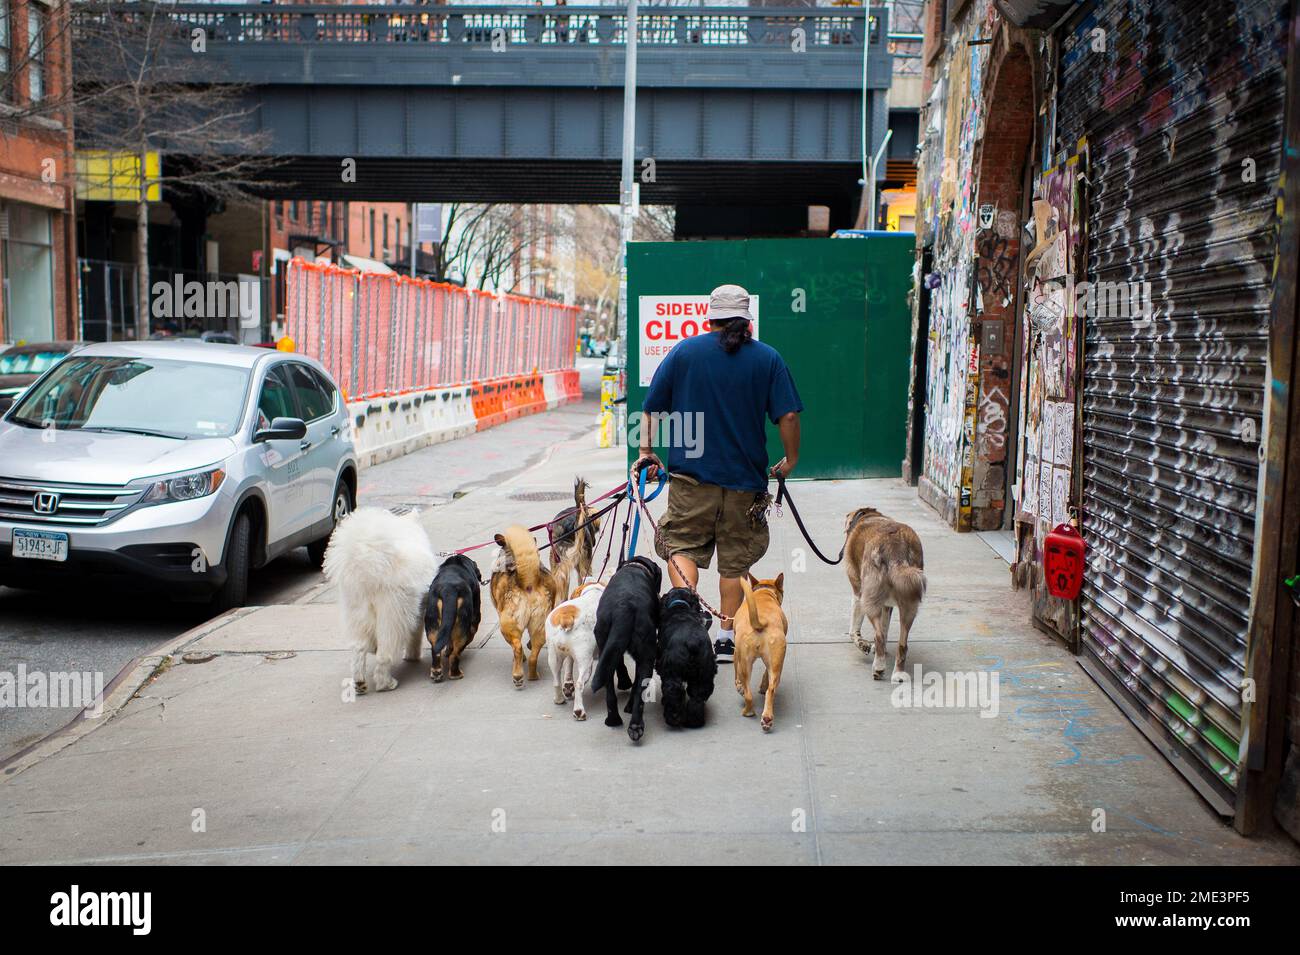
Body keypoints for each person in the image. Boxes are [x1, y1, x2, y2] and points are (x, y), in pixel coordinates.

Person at [633, 284, 802, 662]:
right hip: (744, 482)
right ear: (747, 321)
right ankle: (726, 637)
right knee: (735, 559)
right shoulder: (768, 359)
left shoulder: (684, 352)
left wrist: (646, 451)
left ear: (709, 317)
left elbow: (652, 407)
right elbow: (788, 415)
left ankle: (685, 621)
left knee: (682, 546)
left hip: (691, 480)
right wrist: (789, 461)